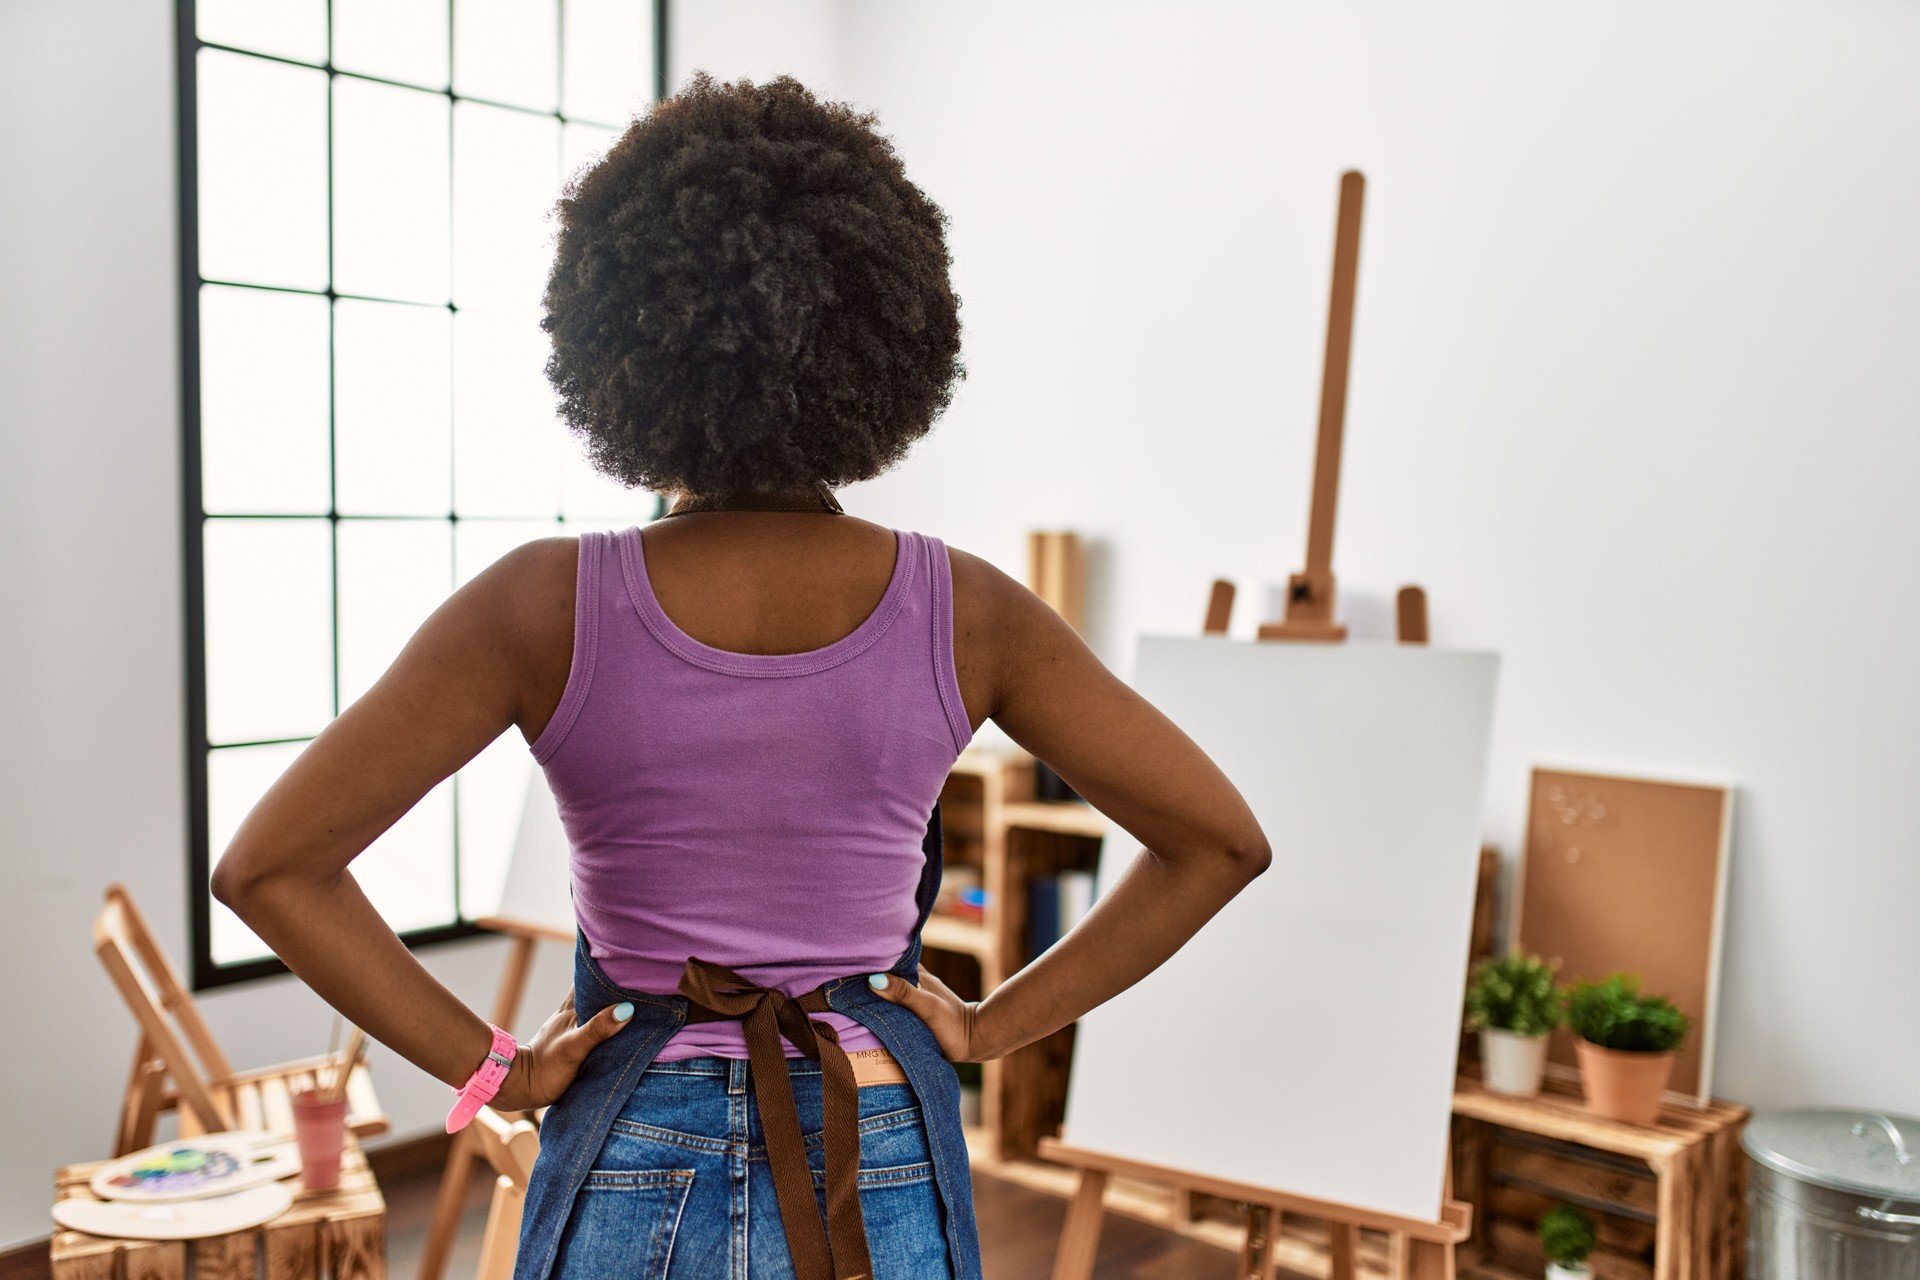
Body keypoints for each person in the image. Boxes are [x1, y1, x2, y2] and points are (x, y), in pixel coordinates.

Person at [214, 72, 1269, 1279]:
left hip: (629, 1135)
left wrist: (499, 1065)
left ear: (620, 340)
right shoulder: (969, 608)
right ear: (887, 337)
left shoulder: (540, 601)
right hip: (877, 1138)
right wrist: (989, 1025)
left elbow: (269, 867)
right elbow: (1218, 841)